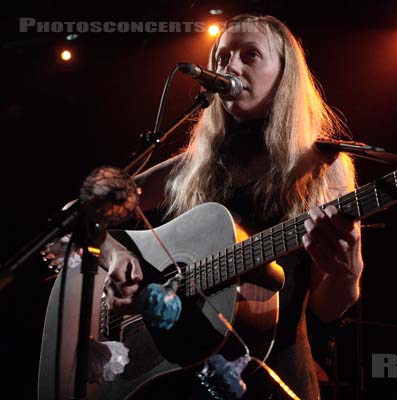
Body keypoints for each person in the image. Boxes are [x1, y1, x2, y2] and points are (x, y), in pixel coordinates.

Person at [101, 14, 363, 399]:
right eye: (222, 57)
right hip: (179, 377)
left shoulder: (325, 167)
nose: (230, 67)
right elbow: (89, 209)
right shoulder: (193, 165)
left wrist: (347, 275)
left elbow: (327, 309)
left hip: (274, 375)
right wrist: (116, 256)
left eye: (250, 55)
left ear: (283, 76)